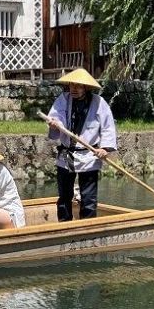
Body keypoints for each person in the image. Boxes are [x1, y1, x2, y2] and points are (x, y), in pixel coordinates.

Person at [44, 68, 117, 221]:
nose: (74, 89)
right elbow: (56, 118)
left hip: (89, 155)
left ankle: (88, 228)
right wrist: (54, 124)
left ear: (86, 87)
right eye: (71, 85)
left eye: (78, 86)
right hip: (67, 154)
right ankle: (65, 225)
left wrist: (104, 148)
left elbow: (108, 126)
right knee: (64, 196)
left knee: (88, 198)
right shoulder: (63, 99)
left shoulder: (99, 103)